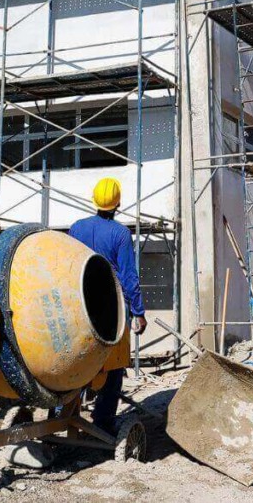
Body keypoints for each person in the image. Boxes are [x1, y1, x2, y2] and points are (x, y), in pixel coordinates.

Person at [68, 177, 146, 435]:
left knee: (76, 361)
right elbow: (128, 276)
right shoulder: (120, 234)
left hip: (79, 303)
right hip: (112, 308)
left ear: (94, 200)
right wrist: (139, 312)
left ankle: (64, 414)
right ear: (118, 203)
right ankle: (102, 423)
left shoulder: (76, 228)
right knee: (114, 366)